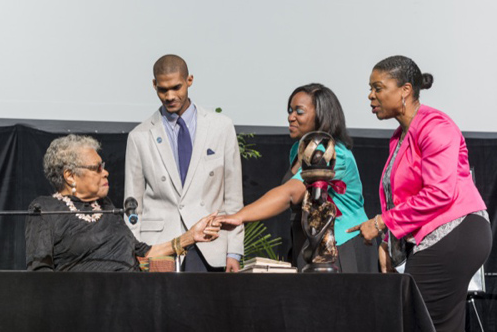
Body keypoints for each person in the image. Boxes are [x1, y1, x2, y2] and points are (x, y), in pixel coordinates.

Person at [348, 55, 492, 331]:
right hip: (443, 235)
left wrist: (381, 223)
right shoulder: (400, 137)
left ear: (405, 90)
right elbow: (401, 201)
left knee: (413, 318)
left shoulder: (436, 126)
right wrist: (388, 244)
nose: (370, 96)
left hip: (458, 230)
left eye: (378, 88)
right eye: (370, 88)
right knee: (439, 325)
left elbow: (439, 193)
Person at [218, 83, 377, 273]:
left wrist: (239, 217)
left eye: (299, 112)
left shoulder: (333, 153)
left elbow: (291, 194)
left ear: (321, 116)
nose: (290, 117)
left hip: (340, 245)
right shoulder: (298, 150)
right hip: (310, 244)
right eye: (290, 110)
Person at [25, 135, 220, 272]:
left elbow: (144, 253)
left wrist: (191, 236)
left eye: (104, 166)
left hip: (129, 297)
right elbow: (40, 273)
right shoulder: (45, 209)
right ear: (70, 176)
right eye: (97, 168)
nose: (105, 172)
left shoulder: (106, 206)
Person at [124, 54, 244, 272]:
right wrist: (135, 253)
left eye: (176, 87)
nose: (170, 96)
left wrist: (234, 252)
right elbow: (133, 205)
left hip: (209, 245)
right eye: (163, 89)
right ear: (154, 85)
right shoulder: (139, 136)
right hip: (159, 247)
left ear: (190, 80)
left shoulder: (221, 127)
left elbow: (233, 196)